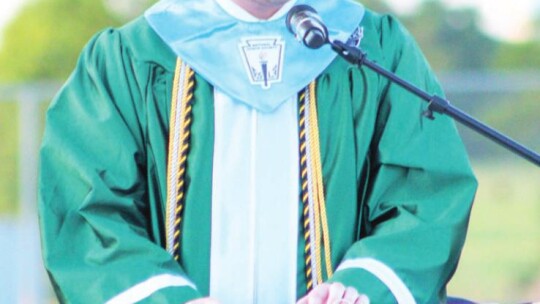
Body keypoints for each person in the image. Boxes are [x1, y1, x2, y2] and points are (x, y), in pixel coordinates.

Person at [38, 0, 477, 303]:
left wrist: (362, 288)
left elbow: (426, 198)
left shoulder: (374, 49)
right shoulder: (126, 61)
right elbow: (88, 214)